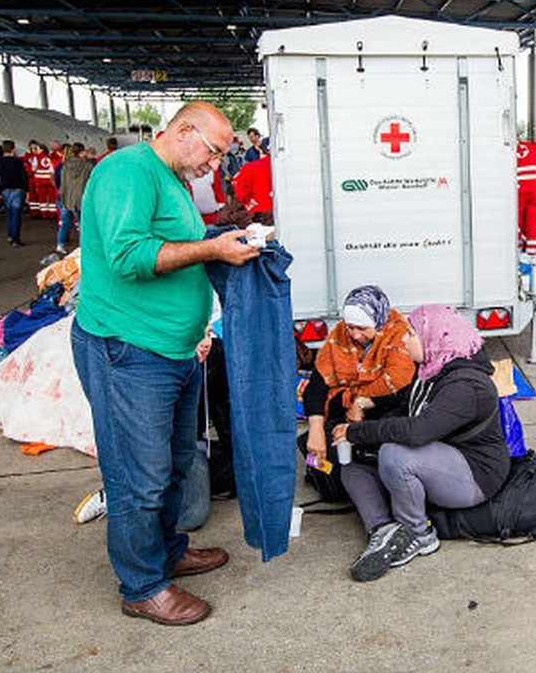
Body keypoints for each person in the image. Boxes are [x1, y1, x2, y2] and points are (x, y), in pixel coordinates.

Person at [70, 101, 260, 626]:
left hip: (170, 351)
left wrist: (217, 231)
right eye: (214, 152)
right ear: (183, 132)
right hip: (129, 350)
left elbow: (167, 237)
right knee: (139, 475)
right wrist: (212, 250)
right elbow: (129, 257)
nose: (215, 165)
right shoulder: (126, 172)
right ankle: (142, 585)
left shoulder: (169, 176)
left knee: (176, 463)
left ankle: (168, 550)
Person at [332, 304, 510, 582]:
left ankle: (418, 533)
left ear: (435, 336)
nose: (404, 340)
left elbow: (418, 431)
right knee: (351, 464)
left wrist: (361, 432)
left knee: (395, 455)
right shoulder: (432, 369)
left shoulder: (467, 385)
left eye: (411, 333)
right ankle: (383, 530)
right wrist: (361, 424)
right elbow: (405, 407)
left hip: (474, 477)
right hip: (440, 459)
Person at [303, 285, 417, 475]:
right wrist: (316, 429)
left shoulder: (400, 336)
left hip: (385, 413)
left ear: (378, 321)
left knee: (359, 465)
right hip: (344, 412)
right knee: (318, 459)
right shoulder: (340, 334)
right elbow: (317, 384)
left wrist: (362, 403)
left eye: (362, 328)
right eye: (350, 328)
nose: (355, 335)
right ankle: (323, 473)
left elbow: (402, 386)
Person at [56, 142, 94, 254]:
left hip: (66, 198)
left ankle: (60, 244)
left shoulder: (65, 165)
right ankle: (83, 248)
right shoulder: (87, 165)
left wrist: (62, 197)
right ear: (81, 152)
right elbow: (91, 182)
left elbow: (62, 183)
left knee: (65, 223)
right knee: (83, 225)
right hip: (81, 198)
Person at [0, 141, 29, 246]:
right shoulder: (18, 162)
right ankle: (15, 238)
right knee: (16, 214)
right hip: (18, 189)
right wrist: (27, 191)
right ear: (13, 149)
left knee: (9, 214)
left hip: (5, 190)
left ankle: (10, 235)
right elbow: (24, 177)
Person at [515, 131, 536, 257]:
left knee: (517, 222)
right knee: (532, 223)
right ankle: (533, 256)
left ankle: (517, 254)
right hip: (535, 190)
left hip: (520, 190)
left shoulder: (508, 150)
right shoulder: (532, 147)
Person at [233, 149, 273, 224]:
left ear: (261, 151)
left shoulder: (250, 167)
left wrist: (245, 202)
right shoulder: (286, 166)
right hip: (283, 209)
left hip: (257, 210)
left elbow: (241, 191)